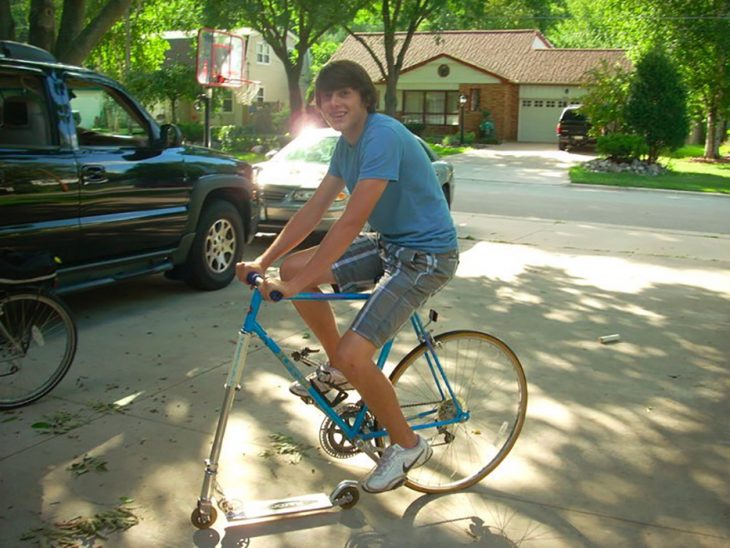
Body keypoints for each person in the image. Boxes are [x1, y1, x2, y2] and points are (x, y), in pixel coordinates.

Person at [236, 60, 458, 493]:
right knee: (293, 266)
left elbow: (350, 220)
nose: (333, 103)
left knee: (356, 350)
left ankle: (408, 444)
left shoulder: (382, 136)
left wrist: (296, 289)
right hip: (389, 243)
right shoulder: (346, 144)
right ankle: (339, 366)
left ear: (362, 98)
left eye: (344, 94)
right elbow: (314, 209)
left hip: (426, 256)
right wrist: (265, 261)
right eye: (326, 96)